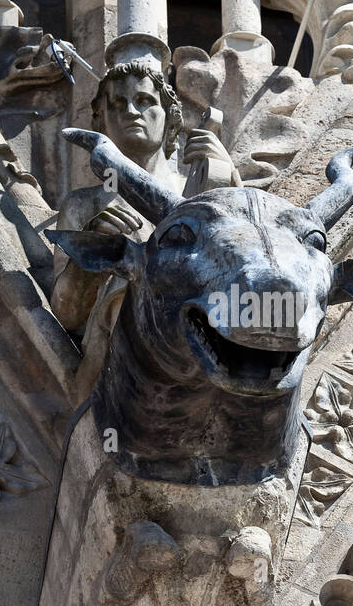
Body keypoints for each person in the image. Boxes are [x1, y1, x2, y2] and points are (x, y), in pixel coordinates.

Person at [51, 57, 239, 395]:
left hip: (201, 353)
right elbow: (65, 317)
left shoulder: (199, 188)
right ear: (101, 122)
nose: (132, 112)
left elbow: (242, 265)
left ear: (170, 120)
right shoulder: (83, 205)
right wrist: (91, 257)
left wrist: (229, 183)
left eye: (145, 101)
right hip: (119, 368)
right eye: (118, 104)